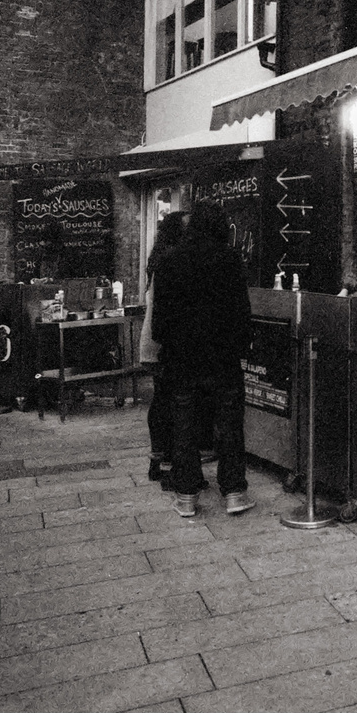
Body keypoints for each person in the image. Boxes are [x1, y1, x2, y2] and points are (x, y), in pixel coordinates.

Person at [153, 201, 254, 518]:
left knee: (184, 428)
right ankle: (234, 492)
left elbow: (159, 324)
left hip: (182, 361)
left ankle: (186, 496)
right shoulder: (230, 259)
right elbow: (242, 312)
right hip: (222, 360)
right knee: (230, 427)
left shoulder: (168, 262)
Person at [141, 211, 188, 487]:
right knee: (168, 400)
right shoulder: (171, 261)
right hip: (163, 340)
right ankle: (168, 462)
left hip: (155, 338)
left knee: (161, 398)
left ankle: (158, 459)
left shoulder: (159, 257)